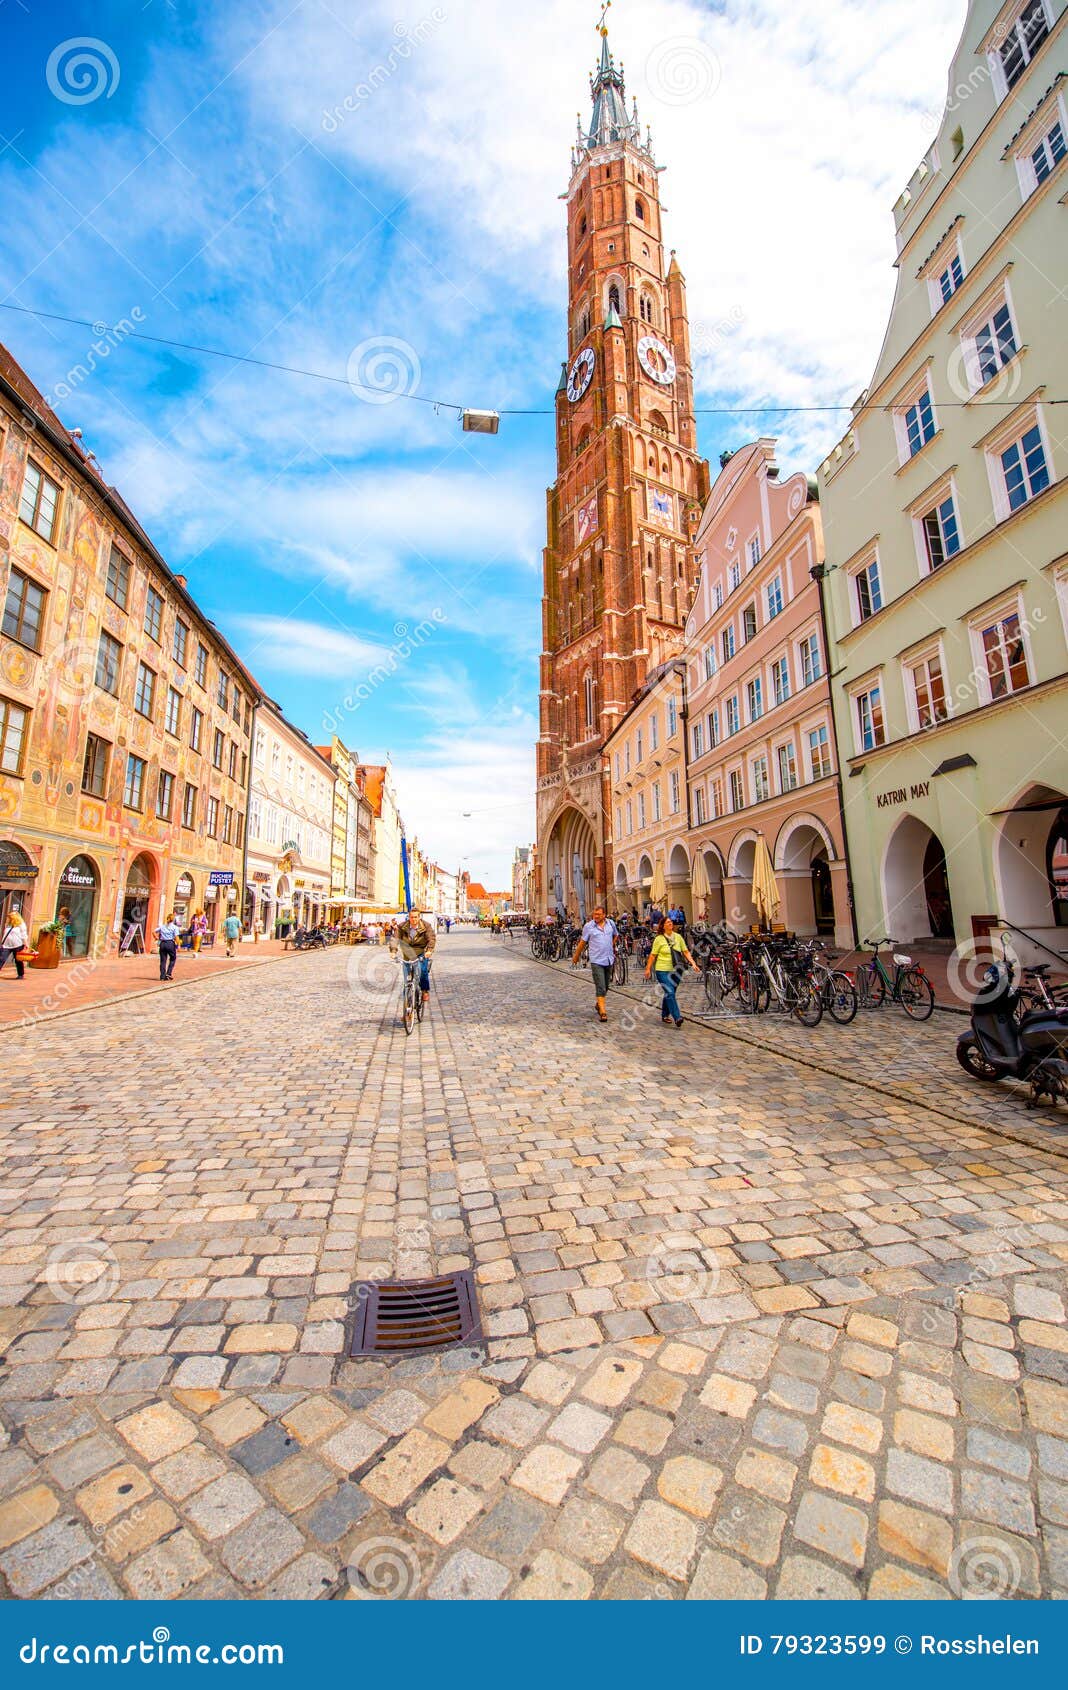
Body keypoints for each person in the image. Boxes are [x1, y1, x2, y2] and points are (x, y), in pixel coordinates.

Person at [644, 916, 700, 1028]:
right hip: (662, 970)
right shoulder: (659, 939)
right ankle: (677, 1017)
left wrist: (693, 963)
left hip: (677, 970)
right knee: (670, 992)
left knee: (670, 993)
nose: (670, 923)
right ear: (663, 926)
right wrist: (648, 969)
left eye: (671, 922)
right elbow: (653, 955)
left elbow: (685, 952)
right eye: (668, 922)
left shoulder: (678, 937)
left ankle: (665, 1015)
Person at [572, 904, 617, 1024]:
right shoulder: (589, 926)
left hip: (609, 959)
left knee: (606, 986)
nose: (596, 916)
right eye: (594, 914)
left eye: (598, 914)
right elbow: (582, 942)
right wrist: (576, 956)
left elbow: (616, 935)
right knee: (600, 985)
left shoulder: (611, 924)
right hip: (596, 960)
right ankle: (603, 1012)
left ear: (604, 915)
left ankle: (599, 1004)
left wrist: (611, 945)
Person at [391, 908, 436, 1002]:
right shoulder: (402, 926)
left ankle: (424, 990)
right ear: (409, 917)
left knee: (423, 971)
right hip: (407, 953)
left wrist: (429, 950)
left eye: (415, 917)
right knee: (406, 979)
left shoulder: (426, 926)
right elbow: (395, 938)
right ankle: (407, 1003)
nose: (413, 919)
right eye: (411, 917)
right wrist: (393, 951)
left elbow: (431, 938)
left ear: (419, 917)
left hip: (421, 952)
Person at [0, 909, 29, 980]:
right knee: (1, 959)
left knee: (18, 961)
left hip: (18, 945)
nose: (10, 917)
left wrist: (26, 944)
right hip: (6, 945)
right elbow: (5, 934)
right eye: (9, 916)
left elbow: (24, 934)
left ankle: (20, 974)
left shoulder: (21, 924)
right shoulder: (8, 924)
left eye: (12, 916)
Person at [155, 911, 181, 981]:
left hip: (162, 943)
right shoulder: (175, 927)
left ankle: (162, 976)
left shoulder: (162, 926)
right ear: (173, 920)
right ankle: (168, 973)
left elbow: (154, 931)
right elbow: (176, 937)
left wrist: (156, 938)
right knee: (173, 958)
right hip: (170, 943)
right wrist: (178, 945)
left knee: (163, 960)